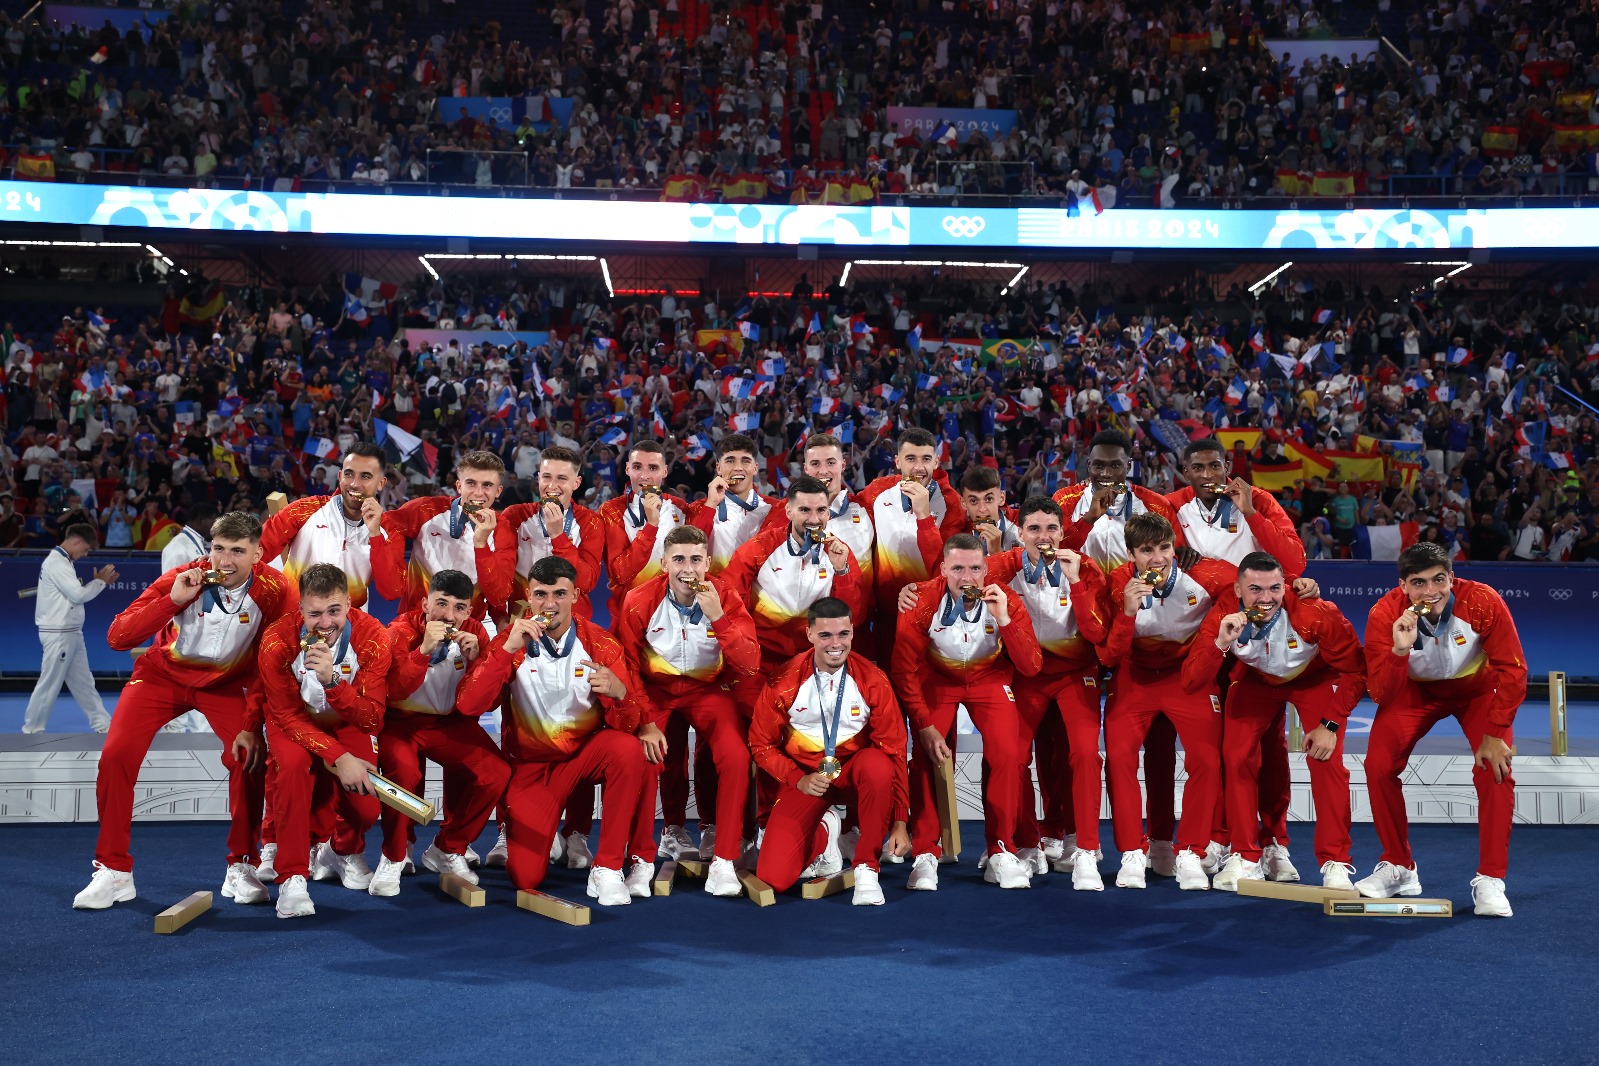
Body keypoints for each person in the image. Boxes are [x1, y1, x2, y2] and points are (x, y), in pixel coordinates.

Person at [75, 513, 295, 910]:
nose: (224, 561)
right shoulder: (185, 576)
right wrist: (172, 600)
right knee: (115, 755)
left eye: (237, 552)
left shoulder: (276, 589)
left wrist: (251, 721)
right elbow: (117, 638)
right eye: (218, 549)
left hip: (225, 685)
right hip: (162, 678)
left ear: (258, 554)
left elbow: (273, 661)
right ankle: (113, 871)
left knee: (248, 758)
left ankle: (241, 865)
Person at [455, 556, 650, 906]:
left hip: (582, 758)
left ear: (575, 596)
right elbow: (470, 706)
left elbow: (628, 724)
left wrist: (620, 695)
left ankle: (607, 868)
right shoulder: (509, 644)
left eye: (560, 594)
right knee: (524, 876)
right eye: (541, 594)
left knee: (627, 749)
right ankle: (549, 836)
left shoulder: (600, 644)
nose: (550, 604)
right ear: (528, 596)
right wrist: (506, 650)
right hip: (530, 771)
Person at [1357, 542, 1524, 917]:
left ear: (1451, 577)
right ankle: (1399, 866)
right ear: (1403, 585)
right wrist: (1399, 651)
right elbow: (1381, 691)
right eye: (1419, 583)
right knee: (1378, 765)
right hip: (1414, 691)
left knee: (1496, 769)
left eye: (1439, 580)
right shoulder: (1385, 614)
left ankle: (1491, 879)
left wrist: (1495, 733)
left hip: (1477, 690)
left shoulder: (1482, 600)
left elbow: (1513, 669)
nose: (1430, 591)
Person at [1180, 551, 1365, 891]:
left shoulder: (1317, 612)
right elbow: (1191, 681)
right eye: (1255, 590)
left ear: (1285, 586)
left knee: (1328, 761)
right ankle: (1246, 855)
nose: (1266, 599)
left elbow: (1356, 671)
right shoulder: (1224, 614)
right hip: (1255, 681)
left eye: (1274, 589)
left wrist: (1332, 724)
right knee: (1236, 757)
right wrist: (1221, 643)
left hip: (1313, 680)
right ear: (1238, 590)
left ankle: (1336, 862)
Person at [1167, 437, 1309, 877]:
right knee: (1218, 748)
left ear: (1227, 466)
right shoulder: (1171, 507)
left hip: (1257, 635)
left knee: (1268, 747)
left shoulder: (1259, 500)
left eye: (1215, 466)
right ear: (1184, 472)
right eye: (1198, 468)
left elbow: (1294, 562)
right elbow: (1149, 552)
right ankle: (1219, 837)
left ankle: (1273, 843)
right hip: (1200, 639)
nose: (1208, 476)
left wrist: (1249, 511)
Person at [615, 525, 760, 896]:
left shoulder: (723, 596)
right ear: (664, 563)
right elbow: (627, 666)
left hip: (706, 691)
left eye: (696, 560)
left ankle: (724, 860)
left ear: (707, 562)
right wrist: (645, 719)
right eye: (678, 559)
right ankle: (642, 857)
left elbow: (750, 661)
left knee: (735, 756)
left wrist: (719, 618)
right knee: (645, 757)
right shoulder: (638, 599)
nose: (688, 569)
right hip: (655, 692)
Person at [893, 533, 1043, 891]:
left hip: (989, 680)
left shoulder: (1005, 599)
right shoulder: (920, 601)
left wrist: (1004, 620)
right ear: (942, 568)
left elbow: (1032, 667)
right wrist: (925, 724)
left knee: (1009, 752)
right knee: (928, 756)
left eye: (975, 568)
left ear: (986, 568)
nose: (966, 578)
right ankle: (926, 853)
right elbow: (903, 669)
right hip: (938, 680)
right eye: (957, 568)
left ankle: (1000, 849)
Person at [1097, 512, 1234, 891]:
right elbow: (1108, 657)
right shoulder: (1116, 584)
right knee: (1121, 760)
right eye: (1146, 551)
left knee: (1206, 760)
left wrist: (1301, 586)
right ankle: (1131, 853)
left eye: (1164, 548)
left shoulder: (1209, 575)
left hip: (1186, 678)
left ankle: (1190, 850)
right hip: (1134, 678)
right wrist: (1125, 614)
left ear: (1175, 547)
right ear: (1130, 554)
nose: (1157, 558)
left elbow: (1260, 584)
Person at [749, 597, 911, 906]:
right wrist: (797, 778)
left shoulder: (874, 681)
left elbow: (895, 752)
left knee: (878, 765)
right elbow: (761, 745)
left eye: (843, 634)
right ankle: (825, 836)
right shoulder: (783, 682)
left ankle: (866, 868)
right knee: (775, 878)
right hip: (808, 778)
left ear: (853, 632)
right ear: (809, 634)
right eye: (825, 635)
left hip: (855, 773)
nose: (835, 644)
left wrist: (900, 821)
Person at [254, 562, 392, 919]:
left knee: (367, 805)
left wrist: (333, 683)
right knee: (294, 770)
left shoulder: (373, 637)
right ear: (300, 610)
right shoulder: (276, 640)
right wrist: (339, 757)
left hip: (347, 719)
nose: (326, 623)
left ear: (349, 603)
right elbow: (284, 715)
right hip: (294, 721)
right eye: (315, 614)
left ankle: (341, 850)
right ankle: (292, 877)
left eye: (334, 610)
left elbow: (371, 717)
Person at [370, 569, 511, 897]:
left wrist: (478, 663)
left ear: (469, 611)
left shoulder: (476, 634)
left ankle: (448, 847)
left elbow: (483, 705)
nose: (449, 615)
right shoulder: (398, 632)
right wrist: (421, 653)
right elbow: (392, 691)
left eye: (460, 607)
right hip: (400, 723)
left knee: (496, 773)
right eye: (441, 604)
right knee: (402, 773)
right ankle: (392, 856)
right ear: (424, 603)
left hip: (450, 724)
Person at [856, 428, 964, 655]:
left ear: (936, 461)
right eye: (910, 459)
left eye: (925, 459)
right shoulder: (878, 491)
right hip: (884, 615)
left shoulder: (951, 503)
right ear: (897, 461)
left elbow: (944, 567)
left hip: (927, 615)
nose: (918, 467)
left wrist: (925, 517)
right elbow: (848, 513)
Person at [259, 442, 403, 608]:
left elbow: (392, 590)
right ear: (340, 476)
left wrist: (376, 535)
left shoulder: (390, 532)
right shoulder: (305, 510)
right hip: (296, 619)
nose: (355, 484)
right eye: (349, 474)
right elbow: (257, 552)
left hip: (349, 624)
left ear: (381, 483)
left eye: (365, 476)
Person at [376, 450, 513, 619]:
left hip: (467, 628)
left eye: (487, 485)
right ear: (459, 486)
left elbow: (499, 596)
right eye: (471, 483)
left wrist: (481, 544)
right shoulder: (425, 510)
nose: (478, 493)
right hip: (416, 622)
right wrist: (399, 574)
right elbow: (382, 525)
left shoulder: (502, 529)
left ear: (498, 491)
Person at [24, 523, 117, 734]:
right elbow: (78, 595)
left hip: (70, 632)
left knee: (84, 684)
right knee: (50, 684)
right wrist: (100, 582)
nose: (85, 554)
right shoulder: (57, 563)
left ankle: (104, 725)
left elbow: (76, 594)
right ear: (77, 541)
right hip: (59, 634)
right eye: (85, 549)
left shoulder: (62, 561)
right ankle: (32, 730)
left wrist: (98, 582)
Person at [495, 445, 603, 620]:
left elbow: (586, 583)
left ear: (577, 483)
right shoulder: (515, 516)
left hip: (572, 623)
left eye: (561, 478)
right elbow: (499, 575)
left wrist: (558, 536)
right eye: (546, 477)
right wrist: (499, 617)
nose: (552, 486)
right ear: (538, 478)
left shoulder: (590, 522)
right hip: (522, 620)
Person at [689, 433, 785, 572]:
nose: (738, 467)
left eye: (745, 461)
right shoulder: (700, 508)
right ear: (719, 468)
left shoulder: (776, 508)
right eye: (730, 460)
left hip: (759, 592)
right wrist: (711, 504)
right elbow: (690, 549)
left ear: (755, 468)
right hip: (716, 591)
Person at [955, 466, 1022, 554]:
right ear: (964, 503)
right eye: (974, 501)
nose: (982, 509)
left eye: (989, 499)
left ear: (1001, 498)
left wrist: (997, 553)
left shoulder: (1022, 523)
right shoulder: (958, 531)